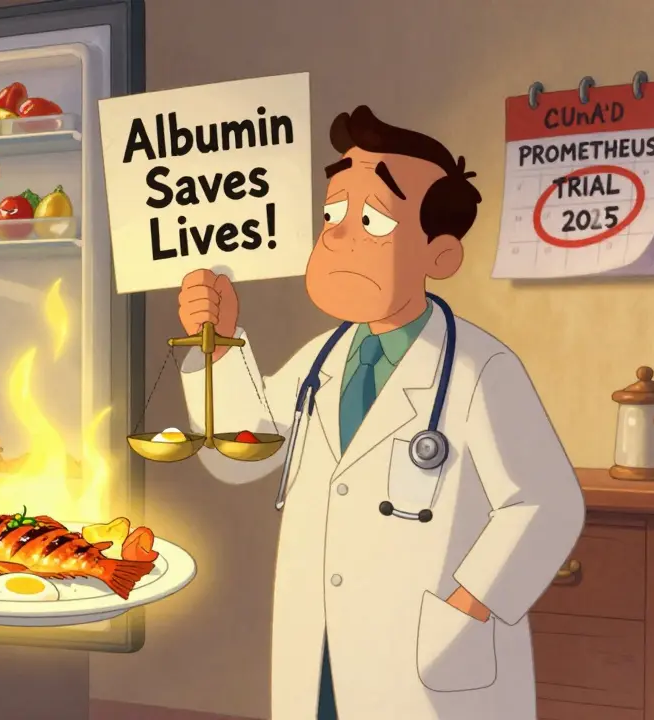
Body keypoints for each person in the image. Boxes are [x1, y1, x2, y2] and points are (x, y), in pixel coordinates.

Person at [177, 106, 585, 720]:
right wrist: (219, 345)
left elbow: (548, 504)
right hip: (321, 651)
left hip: (428, 657)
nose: (339, 235)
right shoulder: (322, 359)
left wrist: (469, 603)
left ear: (440, 256)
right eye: (332, 215)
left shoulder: (479, 369)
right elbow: (243, 457)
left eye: (372, 219)